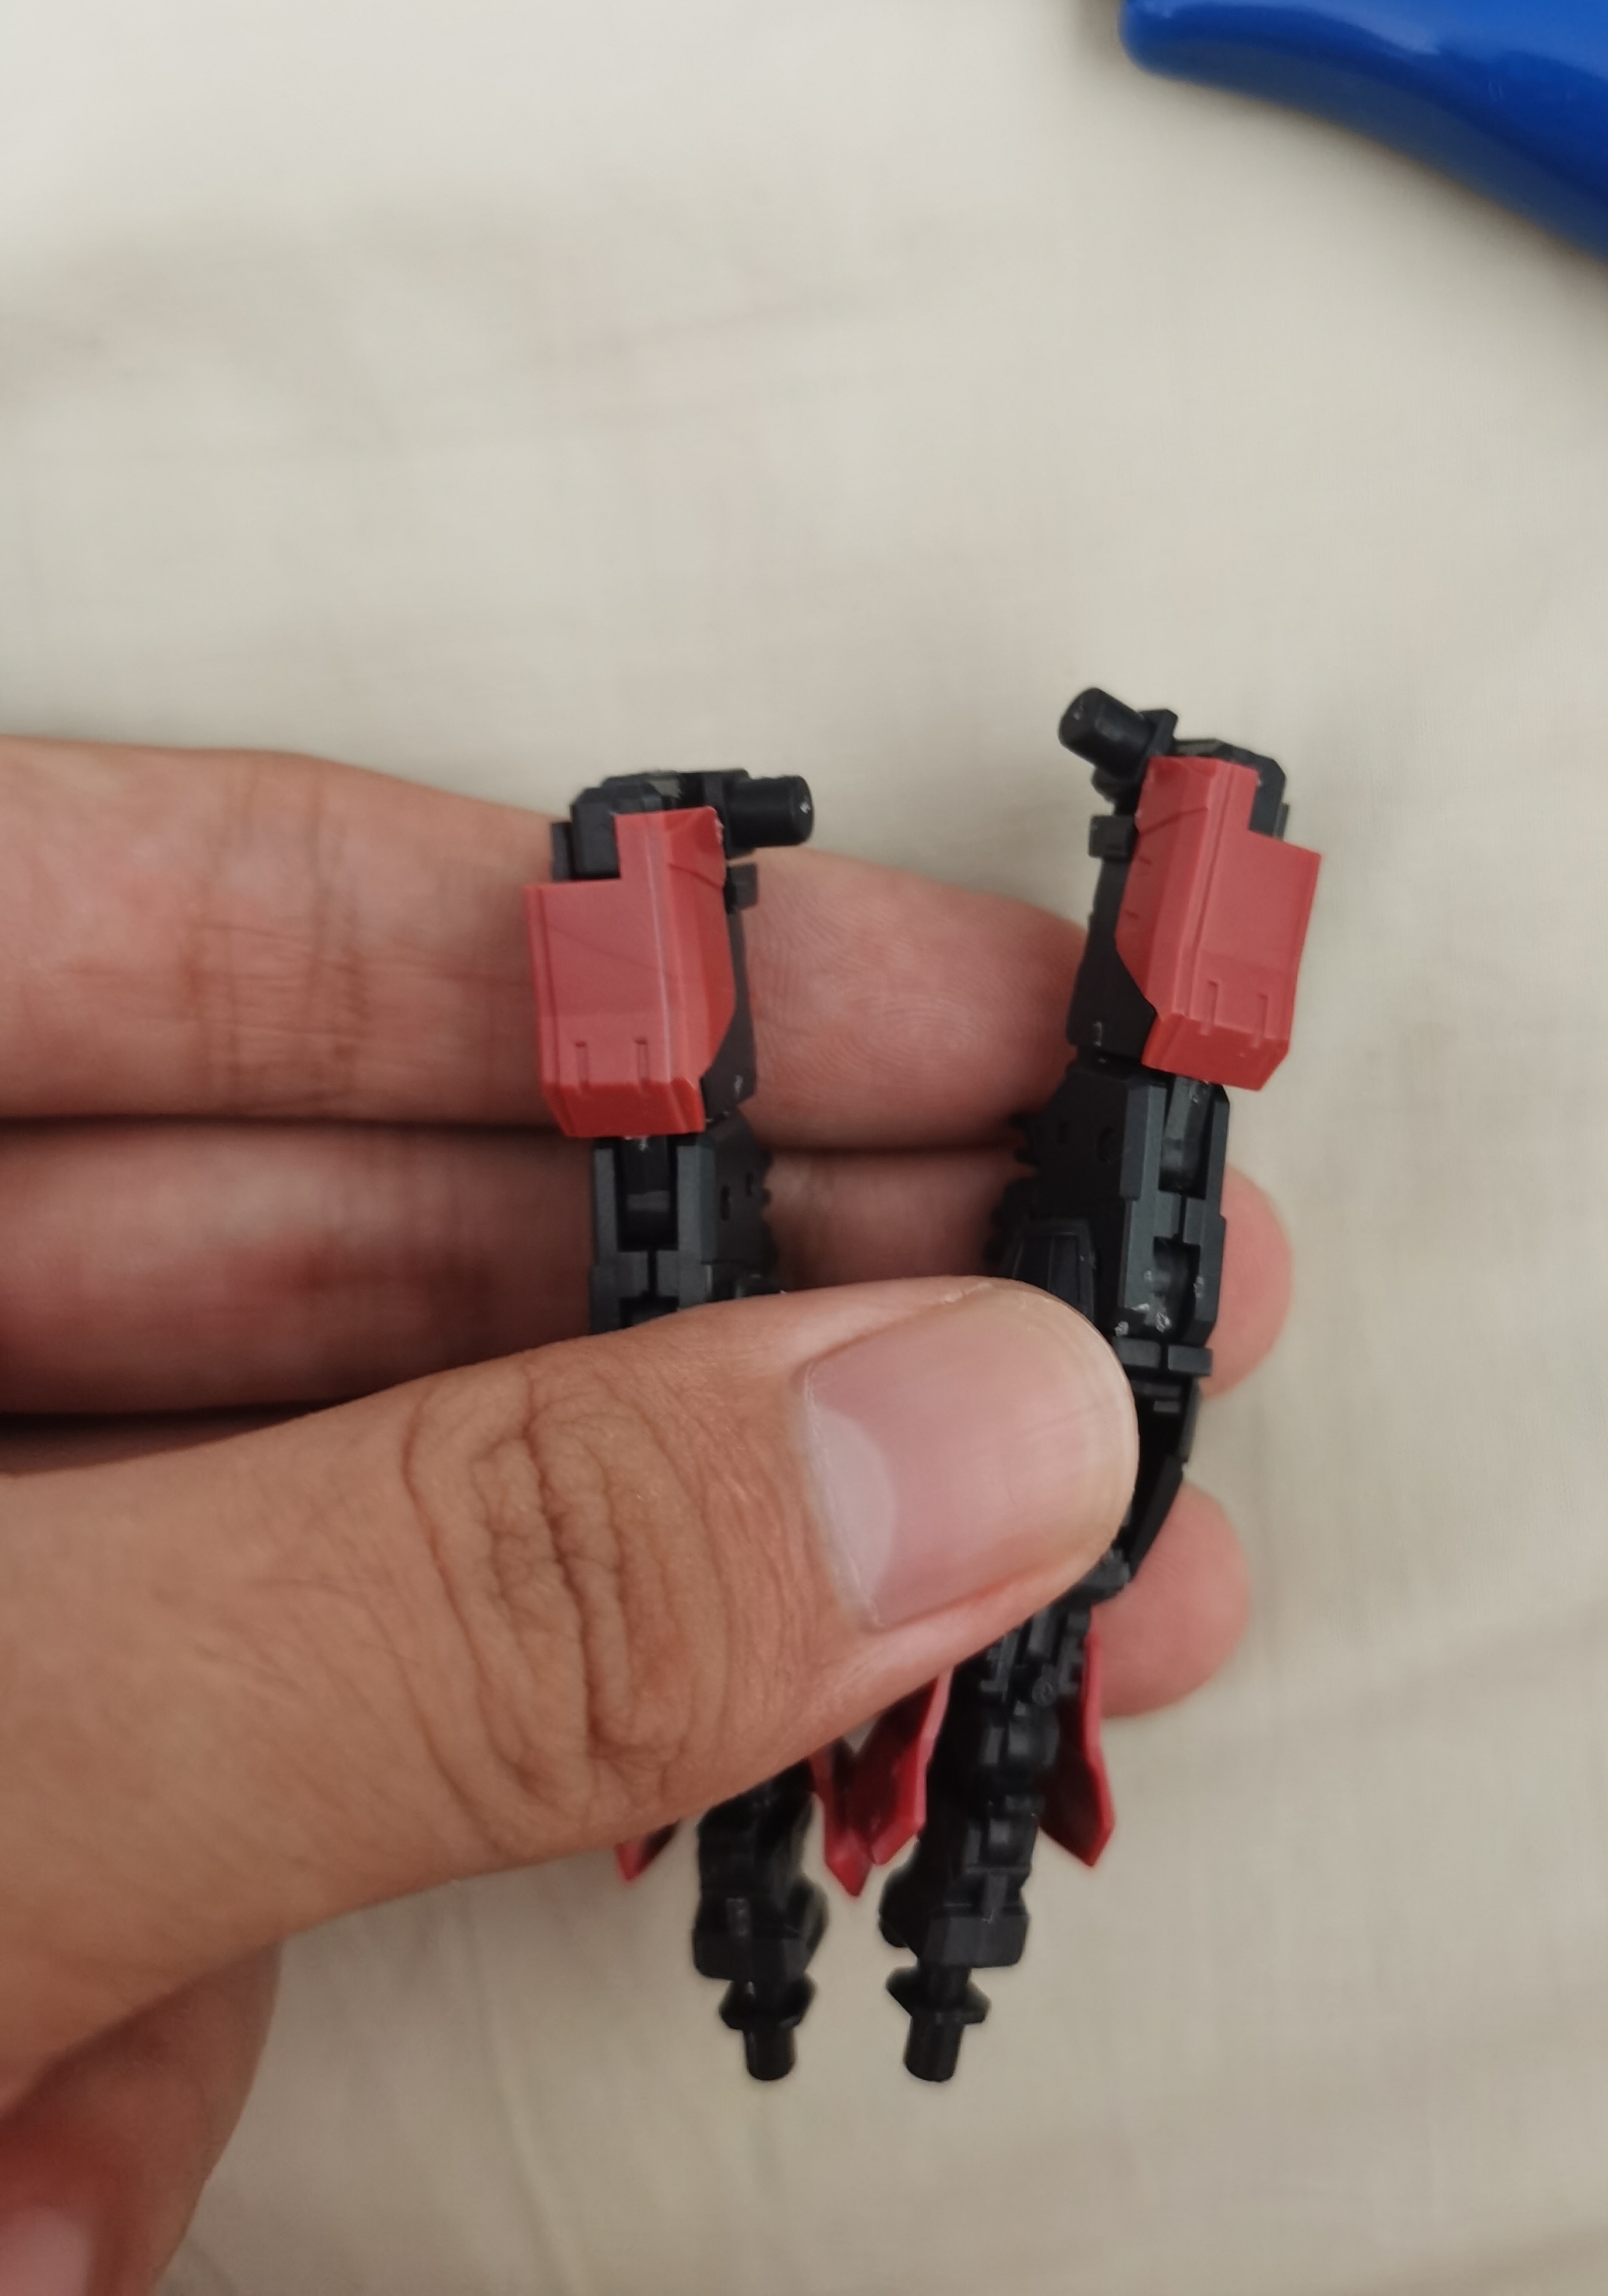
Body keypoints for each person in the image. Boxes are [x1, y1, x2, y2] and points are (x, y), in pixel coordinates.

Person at [0, 738, 1292, 2296]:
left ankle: (874, 1926)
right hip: (901, 1474)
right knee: (699, 1228)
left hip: (991, 1502)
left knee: (959, 1707)